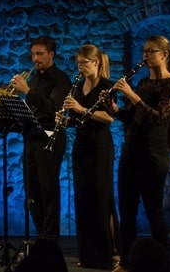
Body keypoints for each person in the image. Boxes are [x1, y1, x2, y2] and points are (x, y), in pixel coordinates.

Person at [102, 35, 170, 271]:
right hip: (131, 153)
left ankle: (160, 264)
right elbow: (130, 117)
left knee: (154, 213)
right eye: (144, 51)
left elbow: (158, 118)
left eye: (150, 51)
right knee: (127, 214)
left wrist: (132, 95)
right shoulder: (144, 83)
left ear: (164, 55)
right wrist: (112, 107)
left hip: (153, 156)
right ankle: (126, 263)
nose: (145, 55)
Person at [60, 44, 120, 269]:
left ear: (95, 62)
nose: (80, 67)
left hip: (100, 147)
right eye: (78, 63)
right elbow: (75, 120)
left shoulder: (106, 86)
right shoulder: (77, 86)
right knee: (83, 200)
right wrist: (65, 121)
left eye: (84, 63)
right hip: (81, 146)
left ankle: (111, 253)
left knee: (102, 199)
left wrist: (81, 109)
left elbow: (109, 118)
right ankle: (88, 254)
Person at [10, 36, 71, 241]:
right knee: (32, 189)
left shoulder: (61, 79)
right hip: (32, 136)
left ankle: (50, 238)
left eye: (39, 54)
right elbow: (33, 108)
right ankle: (41, 234)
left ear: (51, 54)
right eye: (33, 54)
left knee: (48, 188)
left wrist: (27, 91)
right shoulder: (35, 77)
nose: (35, 58)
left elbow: (52, 109)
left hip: (50, 137)